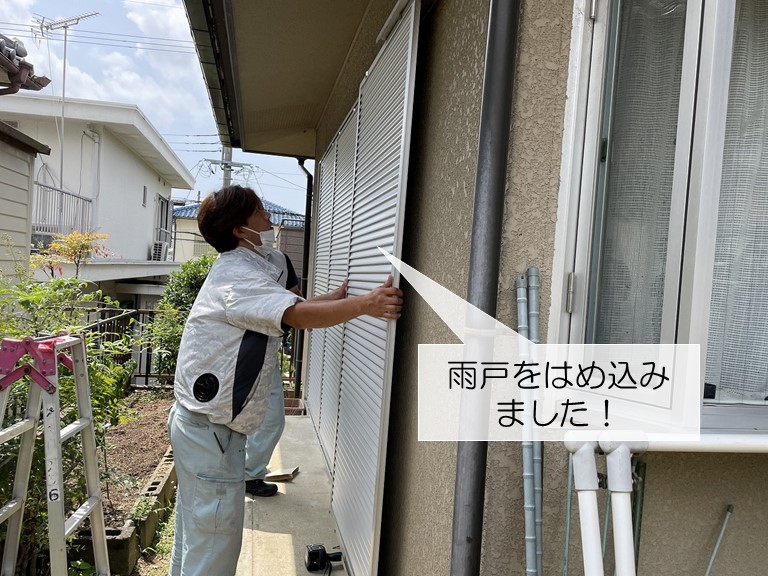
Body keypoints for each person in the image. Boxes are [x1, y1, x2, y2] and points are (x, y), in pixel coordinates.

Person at [167, 185, 403, 576]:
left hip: (200, 426)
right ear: (241, 230)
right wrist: (366, 305)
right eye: (260, 211)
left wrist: (337, 298)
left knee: (197, 530)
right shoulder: (237, 276)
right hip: (209, 433)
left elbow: (291, 304)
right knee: (214, 540)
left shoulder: (251, 264)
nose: (269, 216)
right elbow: (293, 316)